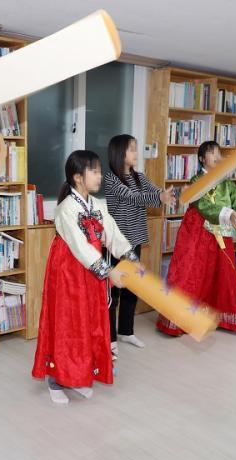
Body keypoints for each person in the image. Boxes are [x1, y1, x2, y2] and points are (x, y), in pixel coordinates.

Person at [32, 150, 139, 405]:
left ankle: (77, 376)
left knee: (87, 322)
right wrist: (109, 271)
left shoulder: (98, 205)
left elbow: (112, 232)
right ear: (78, 177)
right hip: (68, 272)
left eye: (100, 171)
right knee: (67, 323)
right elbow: (79, 246)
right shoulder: (65, 209)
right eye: (95, 171)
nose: (100, 176)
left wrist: (129, 256)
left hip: (91, 271)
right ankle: (56, 380)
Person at [156, 140, 236, 335]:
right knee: (191, 272)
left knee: (223, 273)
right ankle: (180, 319)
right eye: (212, 153)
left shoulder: (226, 182)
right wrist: (227, 213)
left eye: (219, 153)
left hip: (221, 233)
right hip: (197, 233)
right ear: (201, 159)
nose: (217, 156)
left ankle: (219, 317)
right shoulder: (196, 181)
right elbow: (202, 205)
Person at [104, 134, 174, 358]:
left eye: (135, 149)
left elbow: (152, 192)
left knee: (132, 286)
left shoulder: (139, 176)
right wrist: (159, 197)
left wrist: (163, 195)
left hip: (134, 239)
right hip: (116, 243)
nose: (136, 153)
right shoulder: (111, 179)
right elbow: (133, 197)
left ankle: (126, 331)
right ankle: (109, 338)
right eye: (132, 149)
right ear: (119, 153)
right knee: (113, 291)